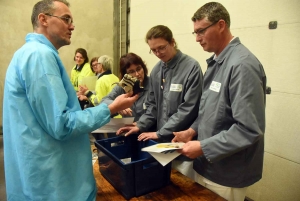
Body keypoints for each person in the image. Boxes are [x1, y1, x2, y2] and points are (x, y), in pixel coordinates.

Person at [2, 1, 138, 200]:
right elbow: (62, 125)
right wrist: (110, 108)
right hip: (53, 183)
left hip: (40, 175)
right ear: (44, 19)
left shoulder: (28, 53)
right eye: (66, 19)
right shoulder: (40, 56)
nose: (72, 26)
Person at [173, 2, 267, 201]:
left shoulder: (241, 66)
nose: (197, 39)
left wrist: (202, 147)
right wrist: (191, 131)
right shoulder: (217, 62)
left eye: (201, 31)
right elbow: (210, 110)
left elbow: (249, 129)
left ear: (221, 25)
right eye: (195, 33)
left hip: (226, 175)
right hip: (206, 166)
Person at [117, 25, 203, 179]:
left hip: (183, 144)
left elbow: (188, 109)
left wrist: (159, 133)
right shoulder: (157, 71)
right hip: (162, 145)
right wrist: (140, 125)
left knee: (184, 186)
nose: (158, 53)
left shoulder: (191, 68)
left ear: (172, 42)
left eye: (161, 48)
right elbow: (153, 105)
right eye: (154, 50)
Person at [101, 52, 150, 122]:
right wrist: (117, 106)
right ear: (125, 75)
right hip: (128, 130)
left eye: (139, 69)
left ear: (143, 68)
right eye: (131, 71)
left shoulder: (153, 84)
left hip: (149, 130)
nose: (137, 74)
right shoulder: (122, 87)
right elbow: (104, 102)